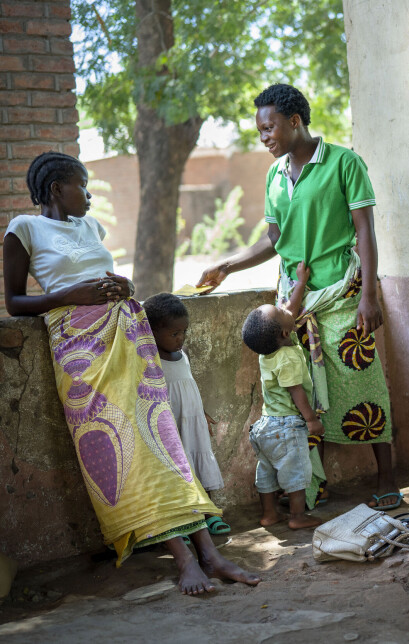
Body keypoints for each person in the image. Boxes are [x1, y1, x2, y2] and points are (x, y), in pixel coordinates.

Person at [3, 152, 259, 595]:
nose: (88, 196)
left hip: (129, 342)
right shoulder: (23, 229)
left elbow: (108, 280)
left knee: (164, 444)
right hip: (82, 356)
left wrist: (127, 287)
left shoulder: (91, 228)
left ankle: (210, 555)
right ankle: (185, 560)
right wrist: (70, 295)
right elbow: (13, 303)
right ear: (56, 189)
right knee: (129, 456)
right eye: (82, 186)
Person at [198, 84, 401, 510]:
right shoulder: (274, 176)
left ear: (294, 121)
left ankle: (387, 477)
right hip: (293, 304)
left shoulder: (344, 162)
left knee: (361, 384)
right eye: (259, 131)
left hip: (340, 295)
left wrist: (369, 295)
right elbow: (275, 240)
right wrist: (227, 265)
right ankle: (314, 483)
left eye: (269, 127)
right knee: (307, 396)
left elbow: (365, 231)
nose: (264, 137)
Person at [241, 261, 324, 530]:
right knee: (296, 472)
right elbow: (296, 391)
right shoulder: (287, 356)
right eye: (279, 310)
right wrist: (311, 420)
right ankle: (297, 517)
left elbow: (289, 310)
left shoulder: (270, 350)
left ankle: (269, 514)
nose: (284, 306)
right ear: (286, 333)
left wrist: (300, 282)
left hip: (265, 426)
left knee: (266, 471)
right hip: (286, 426)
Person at [143, 293, 230, 535]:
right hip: (171, 426)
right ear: (151, 332)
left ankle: (209, 512)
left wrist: (201, 412)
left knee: (200, 464)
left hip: (192, 422)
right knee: (178, 470)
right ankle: (184, 521)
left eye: (184, 332)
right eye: (174, 334)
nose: (181, 338)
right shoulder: (150, 362)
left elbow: (188, 385)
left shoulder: (184, 356)